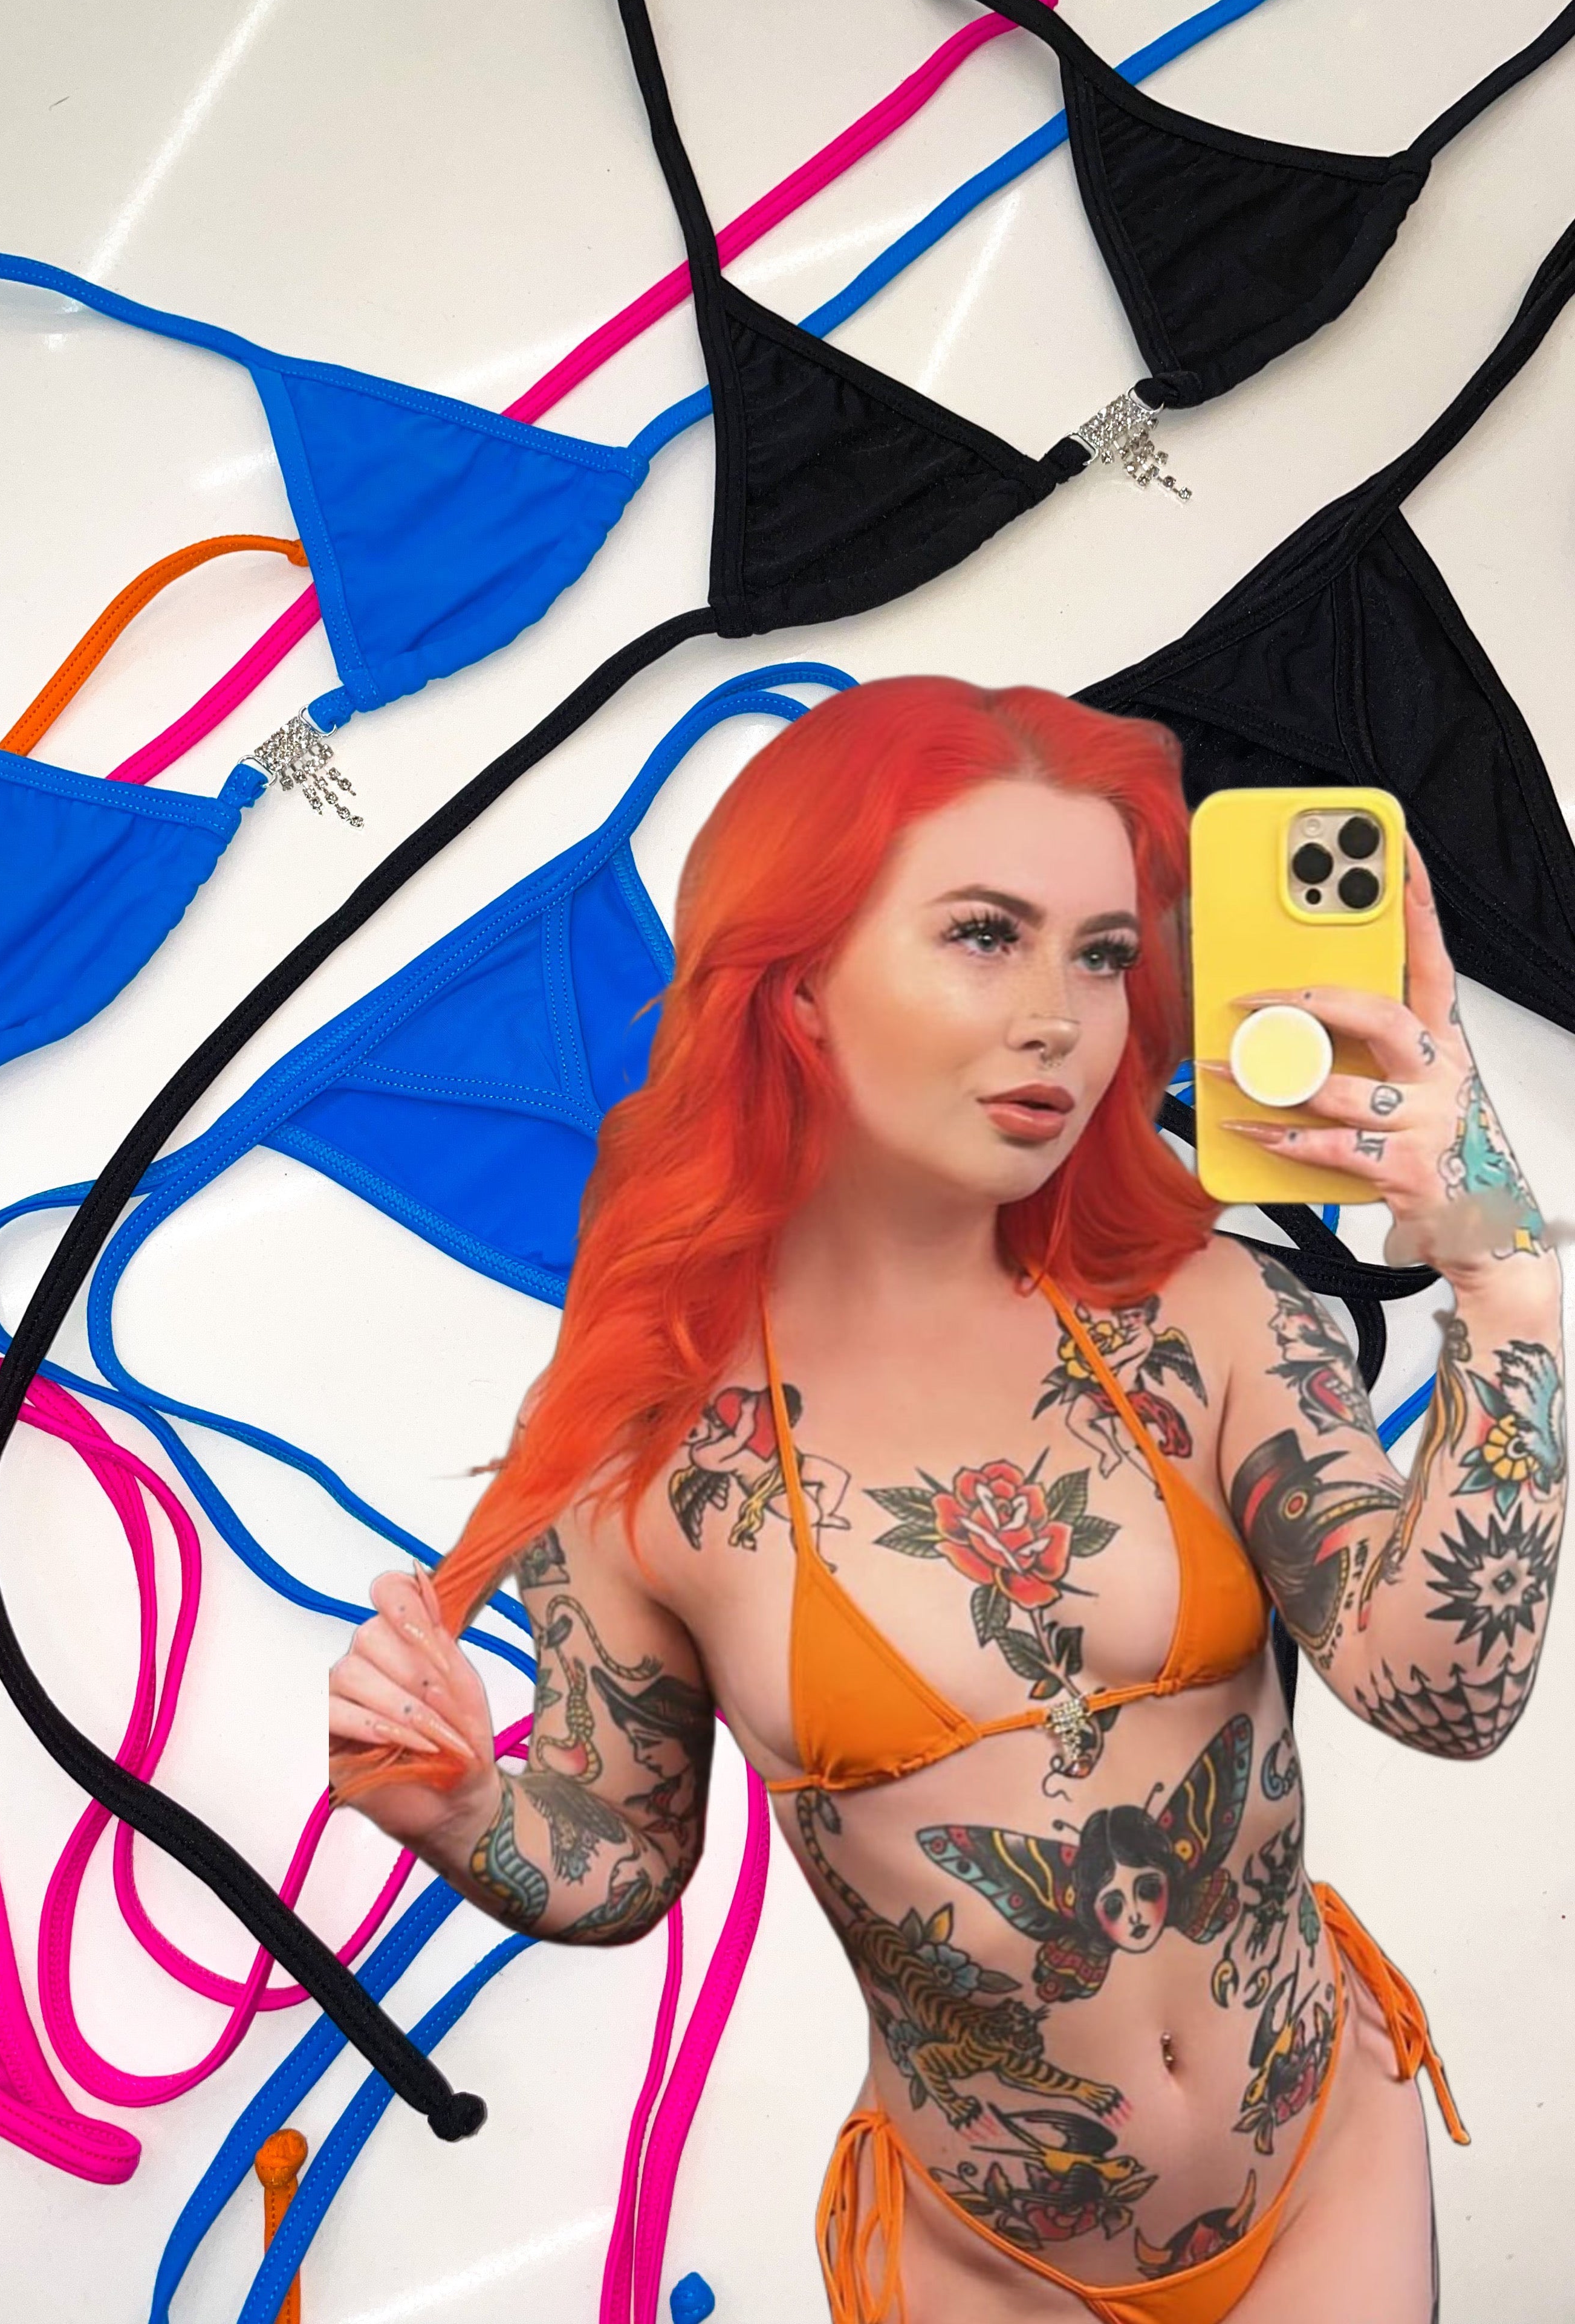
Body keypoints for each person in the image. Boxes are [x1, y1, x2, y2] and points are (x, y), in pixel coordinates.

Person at [326, 678, 1565, 2323]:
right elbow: (623, 1860)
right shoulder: (639, 1458)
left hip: (1325, 2167)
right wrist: (462, 1811)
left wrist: (1502, 1275)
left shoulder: (1212, 1316)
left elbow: (1449, 1695)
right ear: (798, 981)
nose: (1062, 1018)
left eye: (1103, 955)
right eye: (986, 934)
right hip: (992, 2265)